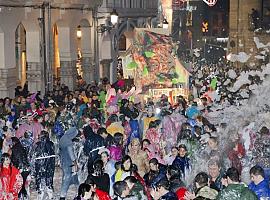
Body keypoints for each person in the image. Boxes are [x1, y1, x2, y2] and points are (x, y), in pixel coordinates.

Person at [31, 130, 55, 199]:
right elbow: (54, 155)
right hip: (50, 166)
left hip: (39, 166)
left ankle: (40, 195)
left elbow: (32, 157)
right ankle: (50, 196)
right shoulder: (51, 144)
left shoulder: (37, 144)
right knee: (49, 181)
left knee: (40, 181)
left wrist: (33, 170)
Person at [59, 127, 80, 200]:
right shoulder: (68, 142)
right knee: (67, 178)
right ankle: (62, 196)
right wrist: (75, 163)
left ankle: (79, 192)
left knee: (73, 177)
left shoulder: (63, 138)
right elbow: (71, 154)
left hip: (63, 161)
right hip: (68, 163)